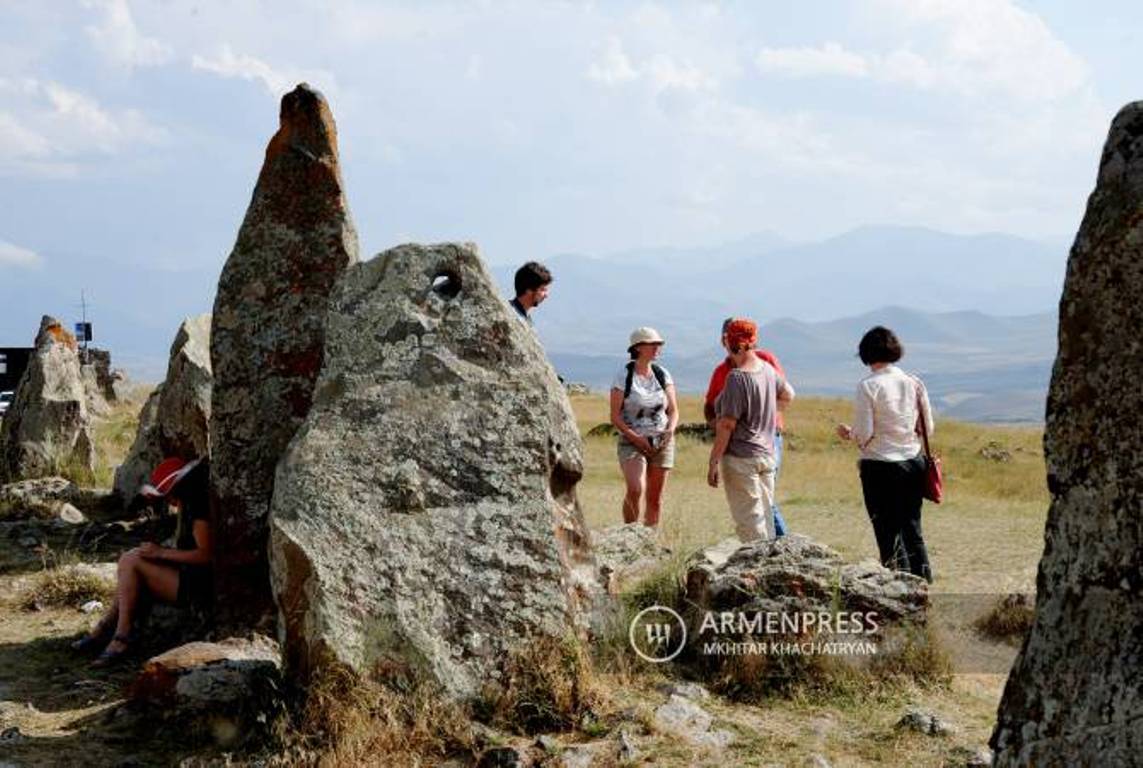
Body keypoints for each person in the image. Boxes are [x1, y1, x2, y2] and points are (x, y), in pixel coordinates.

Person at [72, 457, 213, 665]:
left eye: (169, 495)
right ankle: (107, 630)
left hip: (196, 585)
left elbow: (206, 555)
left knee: (131, 562)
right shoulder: (189, 507)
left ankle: (119, 636)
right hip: (185, 575)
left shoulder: (199, 512)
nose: (169, 501)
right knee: (130, 558)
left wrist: (161, 554)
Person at [835, 326, 934, 583]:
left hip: (880, 465)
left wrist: (850, 433)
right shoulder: (914, 382)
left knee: (886, 530)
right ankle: (924, 582)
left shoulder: (868, 386)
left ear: (867, 354)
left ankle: (898, 586)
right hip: (913, 461)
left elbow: (865, 433)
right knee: (913, 528)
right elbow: (927, 428)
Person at [707, 318, 795, 542]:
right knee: (766, 520)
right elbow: (788, 395)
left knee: (751, 525)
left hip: (741, 458)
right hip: (767, 454)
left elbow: (727, 425)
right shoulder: (767, 369)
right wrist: (766, 414)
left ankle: (756, 573)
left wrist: (714, 460)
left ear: (728, 341)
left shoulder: (737, 377)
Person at [609, 327, 678, 528]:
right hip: (632, 441)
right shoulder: (623, 376)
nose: (658, 348)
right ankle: (630, 535)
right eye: (653, 344)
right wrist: (635, 438)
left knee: (655, 497)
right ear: (638, 347)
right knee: (636, 488)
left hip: (662, 441)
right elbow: (614, 416)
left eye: (659, 344)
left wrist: (670, 430)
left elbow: (673, 410)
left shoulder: (662, 374)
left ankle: (650, 540)